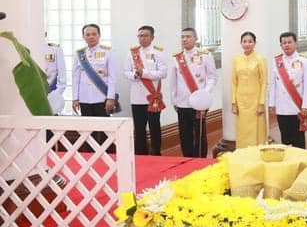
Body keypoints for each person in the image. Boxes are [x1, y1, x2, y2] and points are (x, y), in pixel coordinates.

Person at [171, 27, 217, 158]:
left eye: (188, 36)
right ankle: (187, 159)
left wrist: (204, 94)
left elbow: (212, 77)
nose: (184, 39)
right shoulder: (177, 57)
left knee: (199, 133)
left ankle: (200, 161)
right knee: (184, 134)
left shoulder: (205, 55)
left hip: (200, 103)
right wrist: (174, 100)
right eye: (182, 37)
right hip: (182, 102)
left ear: (195, 39)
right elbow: (173, 81)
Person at [124, 25, 167, 155]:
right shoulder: (132, 53)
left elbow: (163, 73)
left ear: (152, 37)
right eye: (140, 36)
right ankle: (140, 154)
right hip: (137, 97)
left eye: (145, 35)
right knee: (139, 128)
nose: (142, 38)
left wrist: (144, 73)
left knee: (154, 127)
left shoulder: (158, 52)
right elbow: (126, 71)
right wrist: (134, 75)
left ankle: (156, 153)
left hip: (152, 97)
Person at [71, 23, 118, 145]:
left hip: (102, 97)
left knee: (104, 130)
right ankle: (89, 156)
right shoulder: (79, 54)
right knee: (87, 130)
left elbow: (112, 77)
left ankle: (106, 156)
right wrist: (75, 98)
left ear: (99, 35)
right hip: (85, 98)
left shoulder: (108, 52)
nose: (91, 37)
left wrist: (111, 97)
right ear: (84, 37)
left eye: (94, 34)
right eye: (87, 34)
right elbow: (76, 77)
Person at [267, 32, 307, 149]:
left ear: (296, 43)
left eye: (289, 42)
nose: (287, 45)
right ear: (281, 45)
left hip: (297, 107)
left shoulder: (304, 61)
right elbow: (273, 84)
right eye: (284, 43)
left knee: (298, 139)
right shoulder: (276, 61)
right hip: (282, 106)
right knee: (285, 138)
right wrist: (271, 103)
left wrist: (306, 106)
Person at [231, 31, 268, 149]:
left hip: (256, 101)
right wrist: (233, 103)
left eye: (250, 41)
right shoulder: (236, 60)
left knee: (257, 131)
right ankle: (243, 155)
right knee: (242, 130)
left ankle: (257, 156)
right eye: (244, 41)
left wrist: (261, 103)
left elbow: (264, 82)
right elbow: (233, 82)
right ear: (241, 43)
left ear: (255, 43)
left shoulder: (260, 59)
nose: (247, 44)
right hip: (241, 101)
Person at [44, 39, 67, 115]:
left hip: (51, 90)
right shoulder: (30, 48)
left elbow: (62, 73)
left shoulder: (55, 49)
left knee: (52, 119)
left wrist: (57, 93)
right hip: (36, 91)